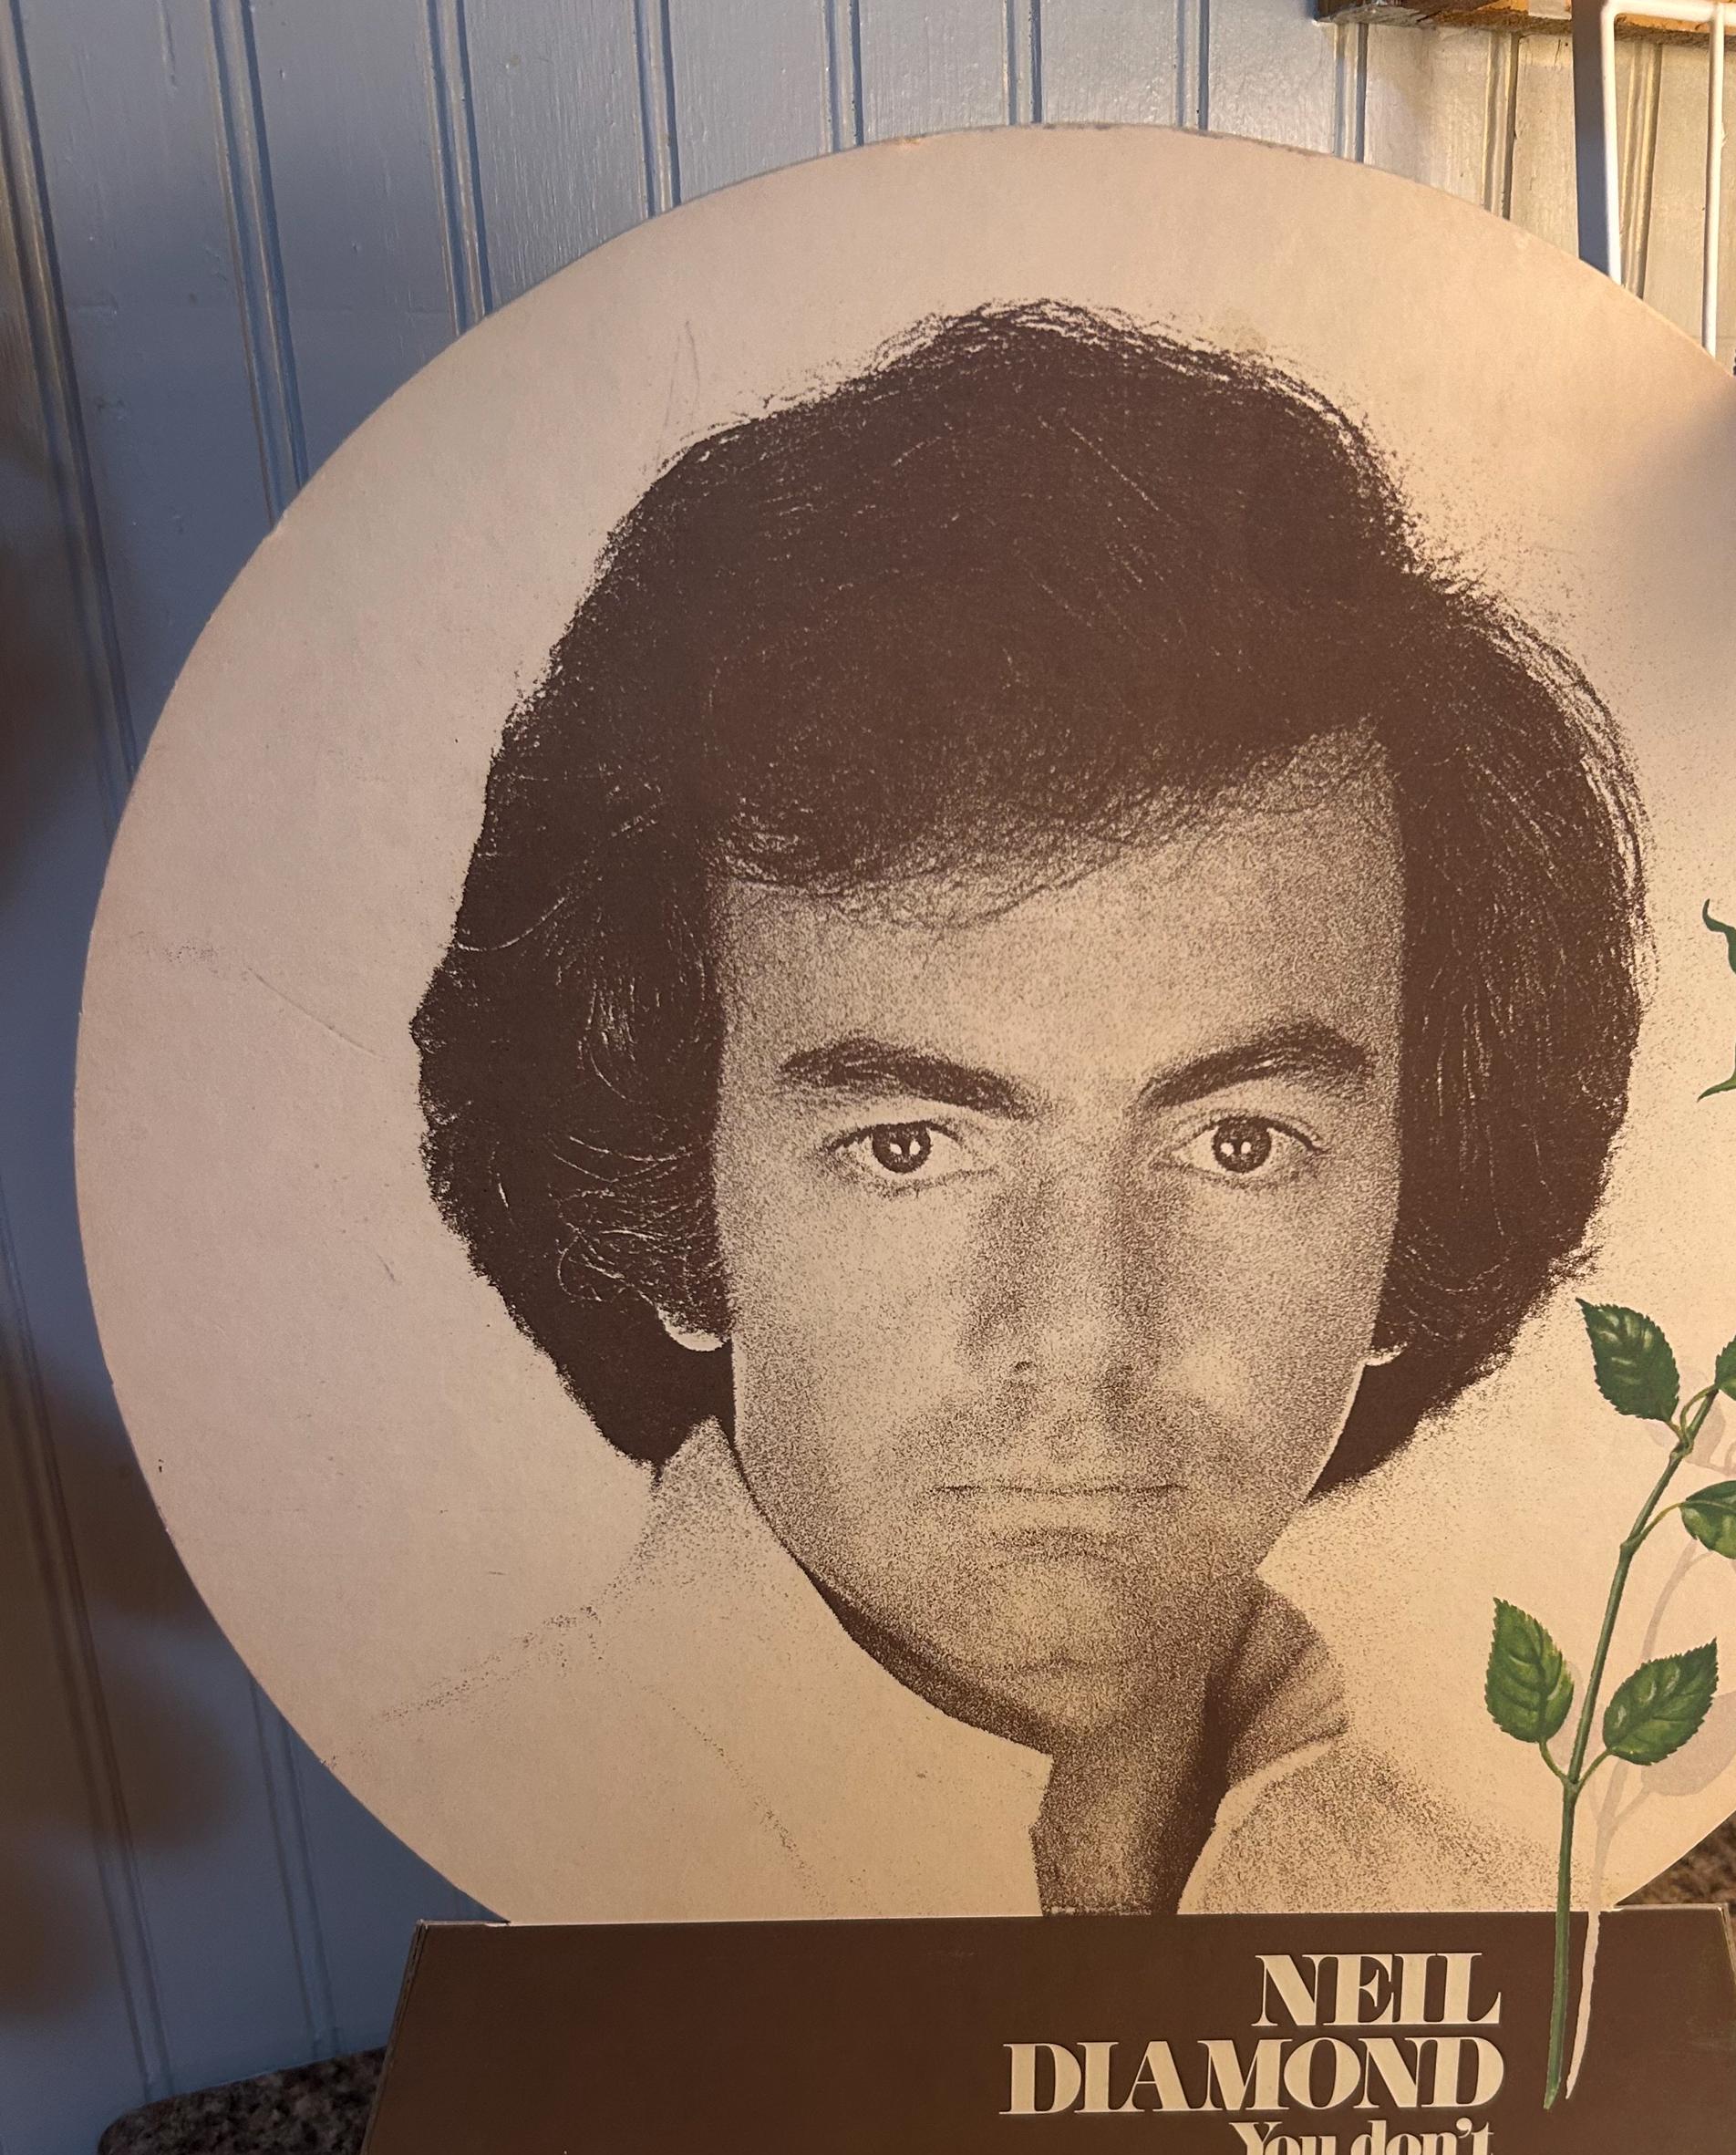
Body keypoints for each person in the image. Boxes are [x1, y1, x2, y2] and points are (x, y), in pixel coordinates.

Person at [365, 299, 1647, 1922]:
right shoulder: (482, 1855)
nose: (1081, 1335)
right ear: (675, 1211)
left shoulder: (1483, 1916)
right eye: (907, 1147)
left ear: (1419, 1204)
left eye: (1237, 1143)